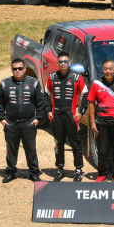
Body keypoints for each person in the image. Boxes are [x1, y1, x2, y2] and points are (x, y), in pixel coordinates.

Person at [0, 58, 45, 183]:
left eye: (20, 68)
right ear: (12, 69)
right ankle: (10, 172)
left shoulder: (34, 83)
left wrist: (38, 118)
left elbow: (41, 101)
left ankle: (34, 172)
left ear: (24, 69)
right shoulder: (5, 83)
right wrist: (1, 118)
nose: (17, 71)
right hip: (10, 122)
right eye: (14, 69)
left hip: (29, 122)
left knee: (31, 149)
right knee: (11, 149)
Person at [87, 59, 114, 182]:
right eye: (105, 69)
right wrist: (92, 122)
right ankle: (102, 174)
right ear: (102, 70)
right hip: (102, 123)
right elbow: (91, 103)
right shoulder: (97, 84)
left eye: (110, 69)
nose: (108, 71)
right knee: (102, 151)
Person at [46, 51, 86, 182]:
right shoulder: (52, 77)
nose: (63, 63)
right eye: (60, 61)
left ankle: (78, 170)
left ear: (69, 62)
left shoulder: (77, 77)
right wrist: (48, 111)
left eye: (65, 61)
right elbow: (46, 94)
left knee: (75, 143)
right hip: (56, 115)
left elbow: (85, 94)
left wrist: (81, 112)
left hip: (71, 116)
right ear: (57, 63)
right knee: (59, 143)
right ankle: (59, 169)